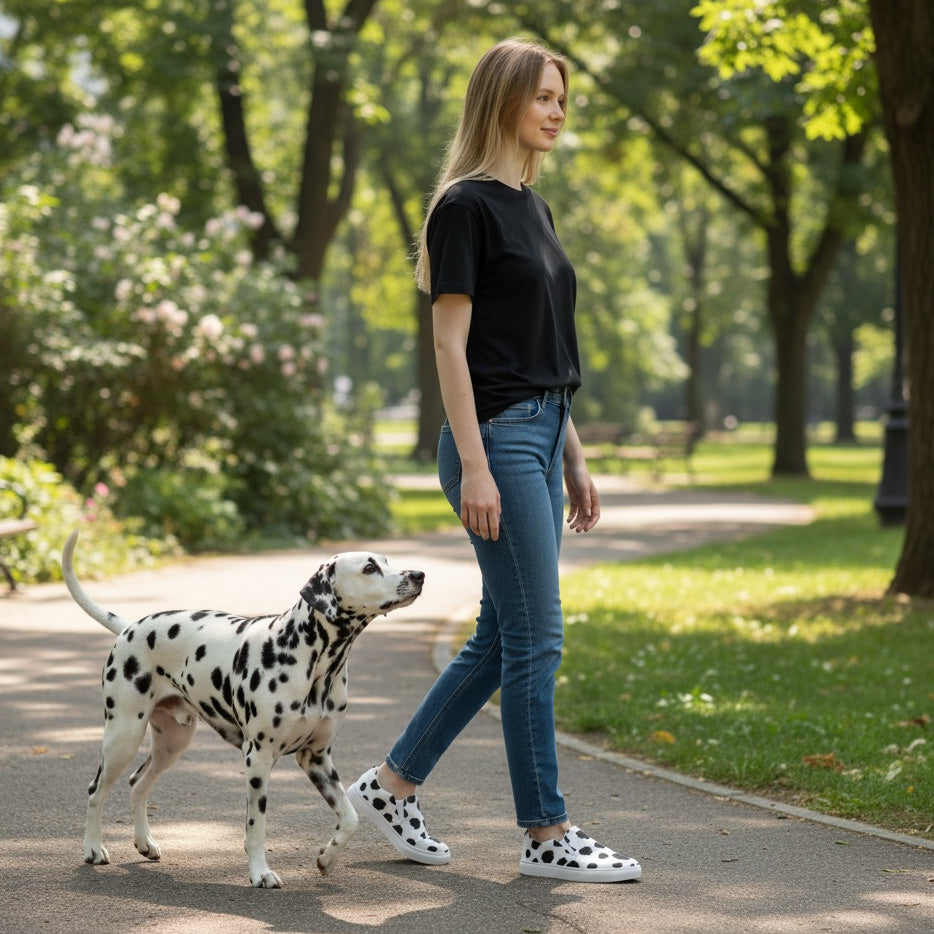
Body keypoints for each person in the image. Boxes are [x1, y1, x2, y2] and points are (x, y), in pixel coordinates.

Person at [347, 37, 642, 884]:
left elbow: (539, 350)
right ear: (502, 101)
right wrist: (475, 464)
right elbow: (450, 345)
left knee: (502, 636)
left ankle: (392, 783)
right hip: (496, 441)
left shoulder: (534, 209)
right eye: (543, 97)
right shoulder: (464, 207)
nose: (556, 112)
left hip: (541, 434)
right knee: (537, 640)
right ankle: (546, 835)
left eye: (562, 100)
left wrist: (574, 455)